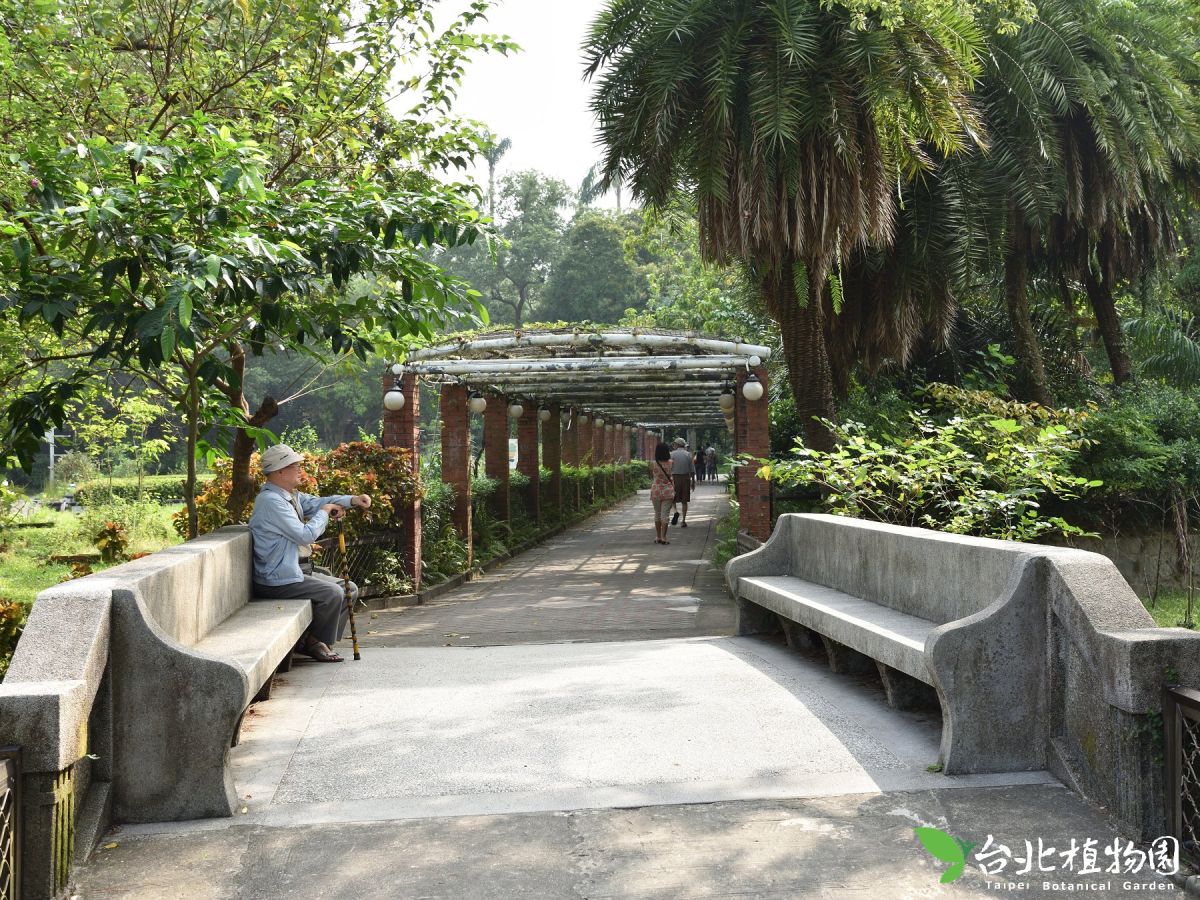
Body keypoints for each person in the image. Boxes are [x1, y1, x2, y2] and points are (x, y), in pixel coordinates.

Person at [248, 444, 372, 663]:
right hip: (277, 578)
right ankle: (314, 643)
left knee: (349, 588)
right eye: (295, 466)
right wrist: (324, 514)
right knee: (333, 593)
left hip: (292, 572)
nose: (299, 470)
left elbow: (317, 503)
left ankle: (313, 640)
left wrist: (351, 500)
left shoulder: (289, 496)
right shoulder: (271, 501)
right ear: (280, 471)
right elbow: (305, 535)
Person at [648, 441, 675, 544]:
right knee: (665, 515)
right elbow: (673, 477)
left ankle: (658, 536)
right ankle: (664, 537)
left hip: (656, 491)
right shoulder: (671, 463)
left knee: (657, 514)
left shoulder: (652, 464)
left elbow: (652, 475)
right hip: (668, 491)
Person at [669, 437, 695, 527]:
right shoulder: (688, 454)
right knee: (684, 501)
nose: (673, 445)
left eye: (674, 444)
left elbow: (669, 469)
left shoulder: (671, 454)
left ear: (677, 445)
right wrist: (693, 482)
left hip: (674, 479)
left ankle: (675, 512)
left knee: (672, 499)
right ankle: (683, 520)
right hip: (685, 479)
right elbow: (692, 470)